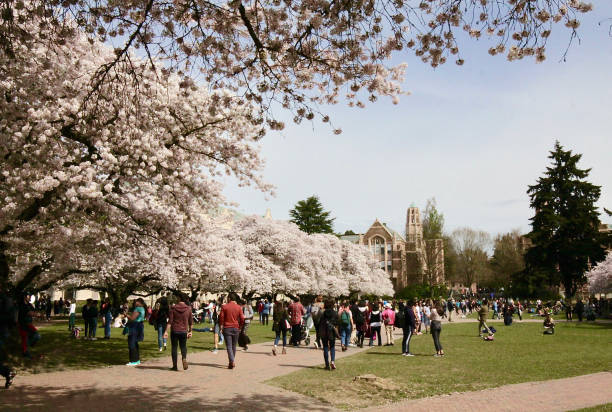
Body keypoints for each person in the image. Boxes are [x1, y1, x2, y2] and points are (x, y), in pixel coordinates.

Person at [164, 293, 193, 371]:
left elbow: (170, 321)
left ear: (179, 298)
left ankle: (175, 366)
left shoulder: (173, 308)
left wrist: (166, 331)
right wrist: (190, 331)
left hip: (175, 330)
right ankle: (184, 358)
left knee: (174, 347)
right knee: (183, 346)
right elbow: (191, 322)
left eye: (177, 297)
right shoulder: (188, 309)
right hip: (184, 330)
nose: (176, 298)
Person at [219, 293, 245, 369]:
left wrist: (221, 326)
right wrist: (240, 326)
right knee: (233, 346)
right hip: (236, 327)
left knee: (229, 346)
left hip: (227, 327)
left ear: (229, 298)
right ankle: (231, 361)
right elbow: (242, 318)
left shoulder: (224, 307)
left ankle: (232, 361)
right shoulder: (239, 307)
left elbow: (221, 317)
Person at [0, 286, 17, 389]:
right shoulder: (7, 300)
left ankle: (7, 373)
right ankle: (8, 373)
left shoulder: (6, 300)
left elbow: (11, 318)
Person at [318, 299, 340, 370]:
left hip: (324, 331)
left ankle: (327, 365)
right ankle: (332, 361)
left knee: (325, 347)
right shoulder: (335, 313)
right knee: (332, 347)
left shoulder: (323, 313)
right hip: (332, 331)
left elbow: (319, 323)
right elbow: (337, 323)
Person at [126, 298, 146, 366]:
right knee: (135, 342)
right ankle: (137, 360)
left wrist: (126, 315)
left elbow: (132, 318)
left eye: (136, 301)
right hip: (139, 325)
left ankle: (133, 360)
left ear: (139, 302)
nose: (135, 303)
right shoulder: (142, 308)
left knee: (132, 342)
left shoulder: (138, 309)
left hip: (135, 326)